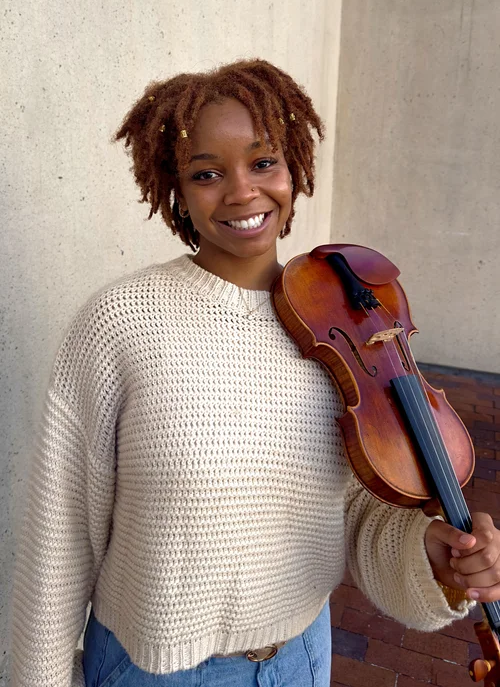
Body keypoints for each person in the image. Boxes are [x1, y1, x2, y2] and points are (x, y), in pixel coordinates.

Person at [10, 58, 500, 687]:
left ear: (293, 167)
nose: (242, 192)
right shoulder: (119, 324)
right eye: (207, 173)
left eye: (263, 162)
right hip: (158, 672)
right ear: (176, 191)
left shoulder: (342, 328)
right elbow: (60, 541)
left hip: (301, 660)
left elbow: (356, 516)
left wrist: (431, 555)